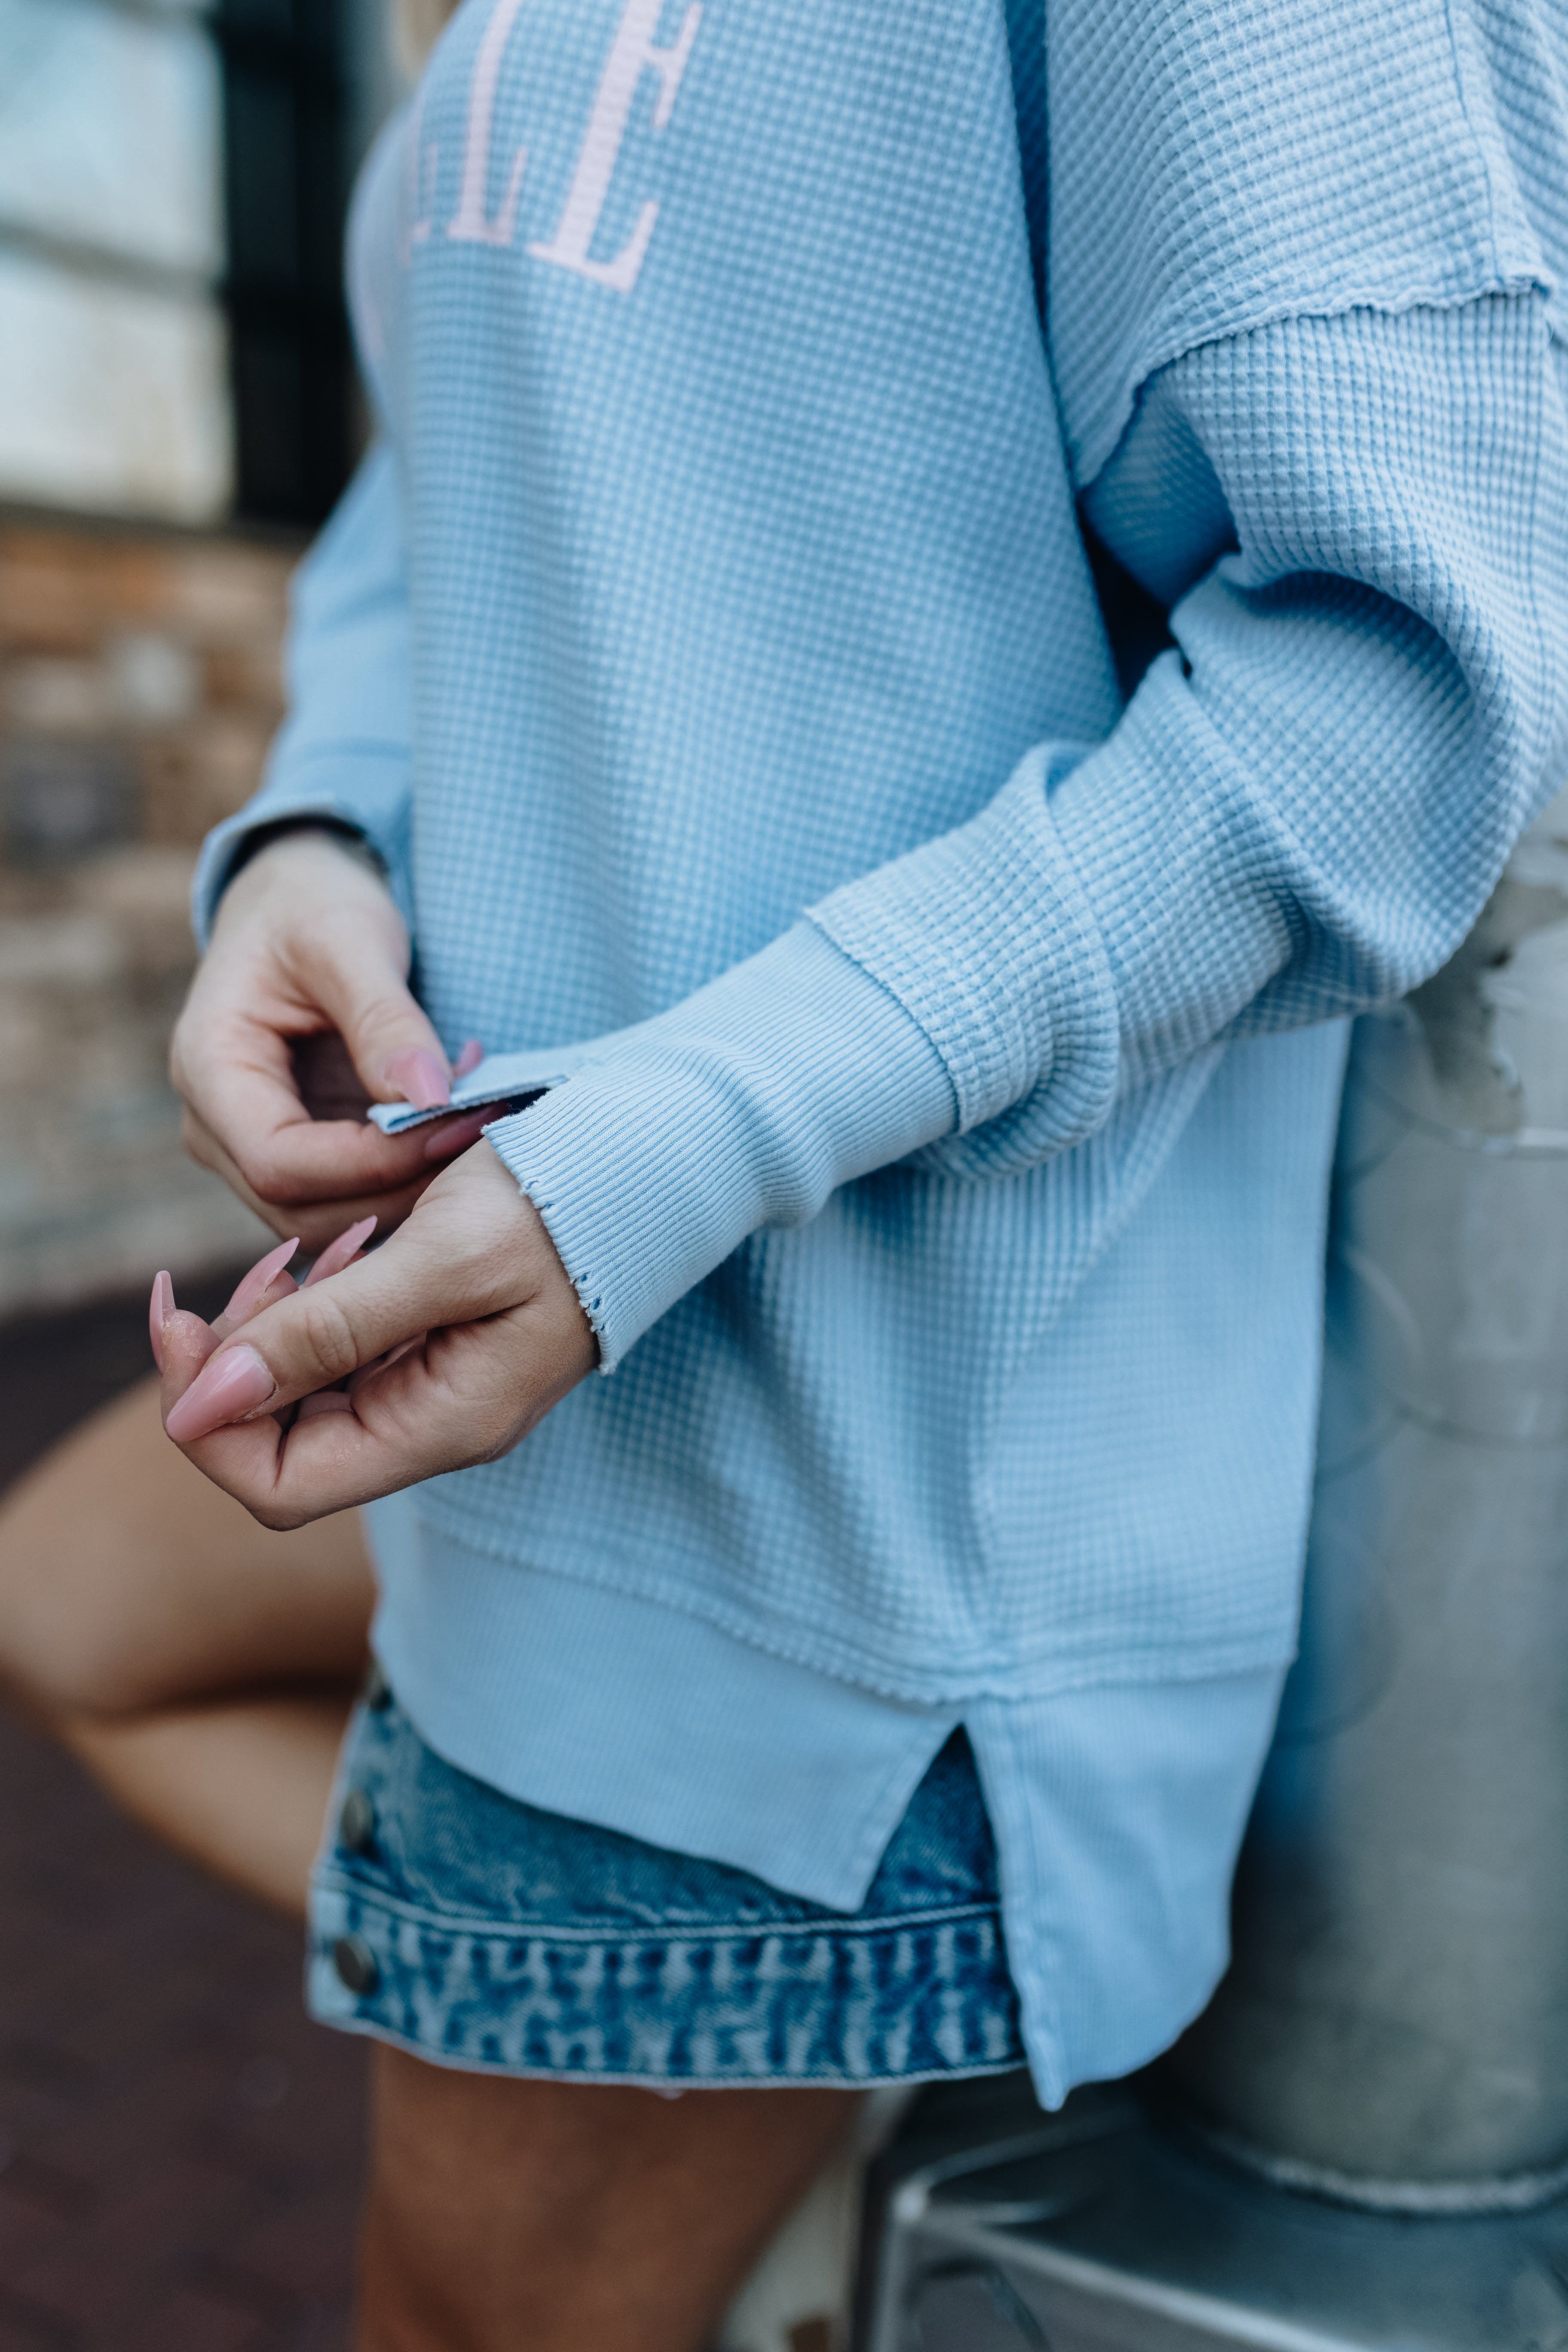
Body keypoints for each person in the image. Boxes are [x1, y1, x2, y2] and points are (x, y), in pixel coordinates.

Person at [6, 0, 1568, 2344]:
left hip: (840, 1525)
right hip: (519, 1409)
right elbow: (437, 496)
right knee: (69, 1601)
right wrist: (315, 834)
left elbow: (1390, 695)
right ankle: (733, 2143)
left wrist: (679, 1141)